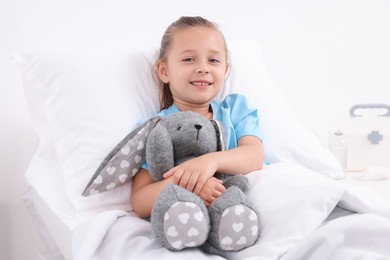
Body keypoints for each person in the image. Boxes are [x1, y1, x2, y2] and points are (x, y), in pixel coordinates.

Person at [131, 16, 263, 219]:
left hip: (244, 204)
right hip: (187, 216)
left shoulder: (235, 109)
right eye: (188, 59)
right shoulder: (158, 128)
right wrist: (187, 183)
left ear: (225, 70)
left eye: (213, 60)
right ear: (164, 71)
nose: (203, 68)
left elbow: (254, 157)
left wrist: (209, 163)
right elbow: (140, 201)